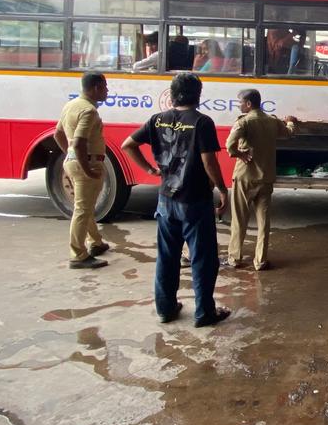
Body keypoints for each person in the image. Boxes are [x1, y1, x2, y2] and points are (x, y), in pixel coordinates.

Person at [121, 73, 230, 327]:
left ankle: (166, 309)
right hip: (195, 201)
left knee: (167, 257)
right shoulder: (202, 122)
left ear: (172, 95)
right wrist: (223, 190)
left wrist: (149, 170)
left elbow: (128, 145)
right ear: (198, 95)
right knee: (203, 258)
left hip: (166, 201)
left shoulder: (157, 120)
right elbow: (208, 161)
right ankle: (204, 313)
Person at [226, 89, 298, 271]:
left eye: (240, 102)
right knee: (264, 222)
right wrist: (290, 121)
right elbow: (289, 133)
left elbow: (229, 147)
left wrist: (240, 154)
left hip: (244, 178)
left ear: (248, 104)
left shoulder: (244, 122)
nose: (239, 105)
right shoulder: (272, 122)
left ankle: (235, 258)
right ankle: (260, 261)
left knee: (239, 219)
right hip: (265, 178)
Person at [53, 71, 112, 269]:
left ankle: (96, 242)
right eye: (104, 87)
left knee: (85, 206)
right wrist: (86, 168)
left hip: (72, 162)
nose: (107, 90)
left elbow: (58, 134)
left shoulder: (71, 105)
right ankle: (78, 255)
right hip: (86, 162)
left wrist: (69, 154)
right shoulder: (88, 111)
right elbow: (78, 143)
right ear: (96, 88)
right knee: (82, 209)